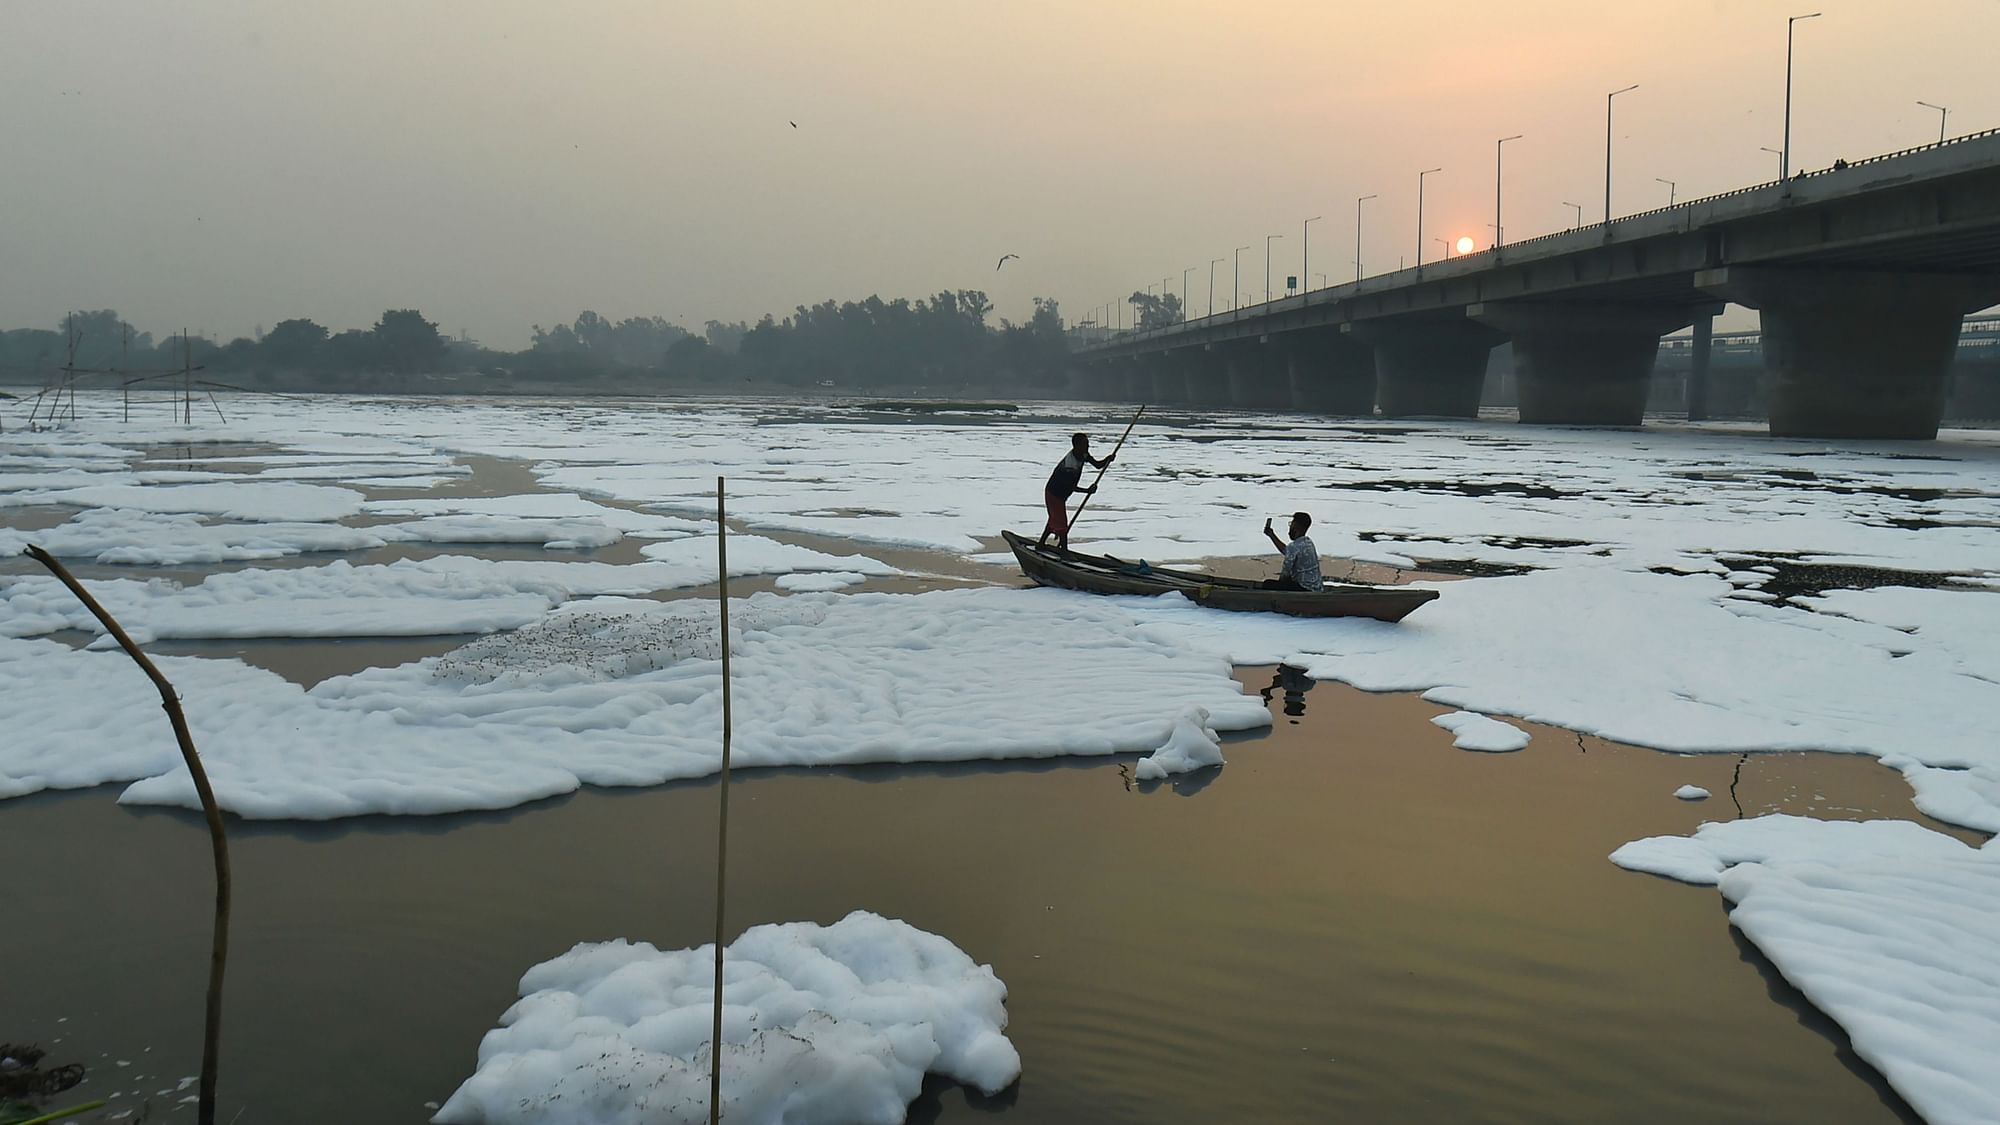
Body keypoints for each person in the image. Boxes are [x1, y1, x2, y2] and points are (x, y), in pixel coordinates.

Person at [1038, 431, 1114, 551]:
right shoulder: (1070, 464)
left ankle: (1041, 544)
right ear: (1076, 446)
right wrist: (1087, 490)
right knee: (1062, 523)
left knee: (1055, 519)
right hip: (1054, 493)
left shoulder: (1083, 454)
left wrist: (1107, 459)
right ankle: (1064, 551)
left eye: (1088, 443)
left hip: (1061, 495)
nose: (1088, 446)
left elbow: (1098, 465)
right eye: (1085, 444)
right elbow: (1070, 486)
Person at [1261, 512, 1322, 591]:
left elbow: (1285, 574)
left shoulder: (1293, 547)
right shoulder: (1309, 543)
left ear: (1296, 527)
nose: (1290, 528)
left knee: (1267, 584)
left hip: (1304, 588)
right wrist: (1271, 535)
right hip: (1317, 587)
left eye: (1291, 524)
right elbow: (1287, 551)